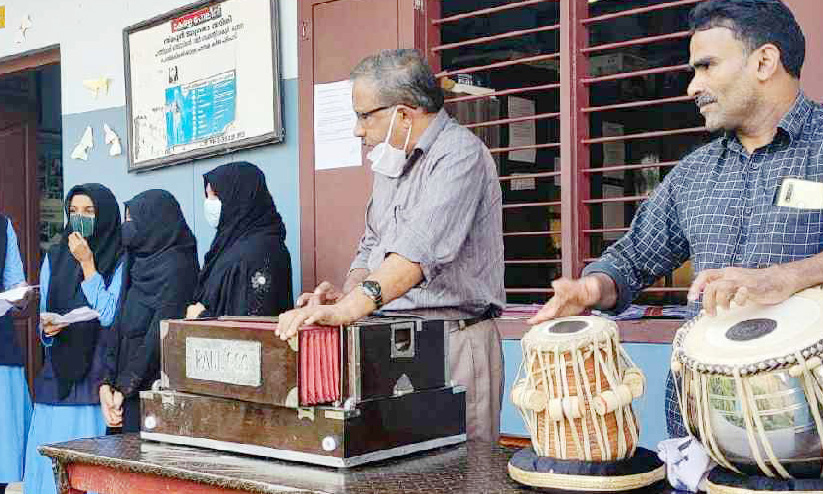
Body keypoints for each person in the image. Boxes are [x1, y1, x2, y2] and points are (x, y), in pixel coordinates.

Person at [527, 0, 818, 438]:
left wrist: (790, 276)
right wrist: (592, 286)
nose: (692, 86)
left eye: (706, 66)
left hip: (807, 428)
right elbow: (631, 260)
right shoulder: (693, 173)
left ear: (764, 61)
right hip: (698, 425)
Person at [276, 49, 506, 442]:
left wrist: (350, 309)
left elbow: (416, 254)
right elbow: (372, 245)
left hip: (453, 341)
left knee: (462, 473)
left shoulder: (460, 156)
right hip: (392, 338)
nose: (357, 130)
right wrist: (344, 294)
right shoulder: (390, 163)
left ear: (404, 113)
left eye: (364, 115)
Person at [24, 184, 125, 494]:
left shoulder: (119, 257)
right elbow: (44, 318)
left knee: (86, 470)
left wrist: (87, 263)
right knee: (48, 470)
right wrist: (49, 331)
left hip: (97, 376)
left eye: (89, 211)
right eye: (74, 211)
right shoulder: (54, 256)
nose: (80, 218)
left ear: (105, 215)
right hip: (58, 377)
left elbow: (109, 314)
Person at [100, 190, 199, 433]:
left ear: (155, 222)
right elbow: (118, 322)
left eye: (133, 220)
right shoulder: (134, 259)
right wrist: (106, 383)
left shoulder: (178, 267)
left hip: (151, 390)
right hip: (121, 390)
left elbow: (159, 334)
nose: (127, 227)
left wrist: (125, 387)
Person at [186, 161, 293, 319]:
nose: (209, 202)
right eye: (207, 195)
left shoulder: (260, 252)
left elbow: (251, 328)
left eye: (215, 195)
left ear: (239, 198)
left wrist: (199, 316)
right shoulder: (229, 244)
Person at [0, 216, 33, 494]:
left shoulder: (2, 225)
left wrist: (21, 295)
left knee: (3, 458)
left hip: (1, 353)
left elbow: (15, 283)